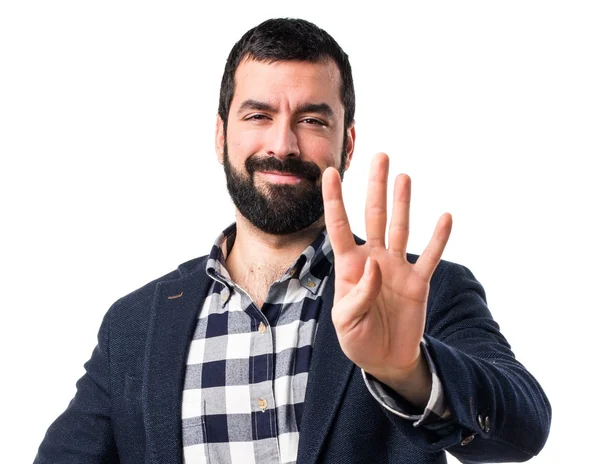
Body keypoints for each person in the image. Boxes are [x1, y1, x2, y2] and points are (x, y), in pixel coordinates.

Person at [34, 18, 551, 464]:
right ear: (221, 135)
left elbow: (523, 428)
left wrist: (408, 369)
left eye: (311, 120)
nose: (282, 145)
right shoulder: (134, 324)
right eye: (258, 115)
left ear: (346, 143)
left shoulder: (424, 292)